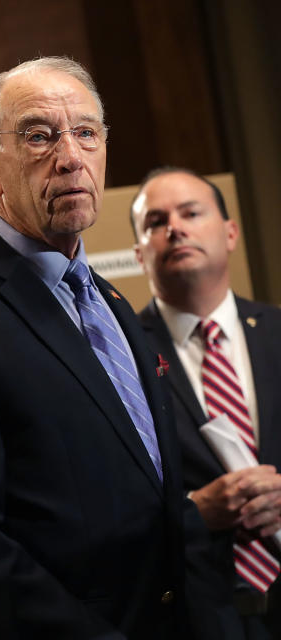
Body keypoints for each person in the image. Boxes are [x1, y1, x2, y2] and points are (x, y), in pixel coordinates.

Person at [0, 57, 211, 638]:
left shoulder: (111, 303)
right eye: (39, 136)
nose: (70, 157)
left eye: (87, 133)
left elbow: (160, 496)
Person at [132, 167, 281, 638]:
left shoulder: (279, 333)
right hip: (190, 615)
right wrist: (193, 510)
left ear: (231, 232)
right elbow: (106, 506)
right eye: (156, 222)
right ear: (139, 253)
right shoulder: (120, 359)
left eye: (191, 213)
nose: (175, 227)